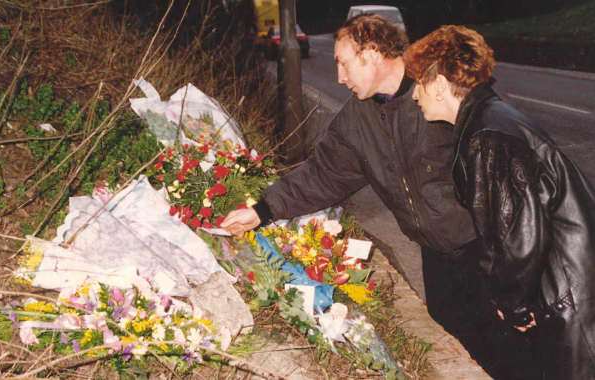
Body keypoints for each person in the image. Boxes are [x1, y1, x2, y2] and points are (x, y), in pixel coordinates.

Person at [222, 15, 537, 378]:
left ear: (371, 51)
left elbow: (504, 170)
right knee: (463, 342)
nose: (340, 77)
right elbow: (322, 174)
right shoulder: (358, 119)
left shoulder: (438, 92)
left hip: (488, 251)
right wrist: (263, 210)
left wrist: (516, 269)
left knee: (516, 350)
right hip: (437, 256)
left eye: (343, 62)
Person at [404, 24, 595, 379]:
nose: (415, 96)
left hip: (567, 297)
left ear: (442, 85)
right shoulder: (492, 119)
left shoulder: (486, 137)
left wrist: (515, 308)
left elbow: (517, 237)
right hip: (569, 285)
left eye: (420, 83)